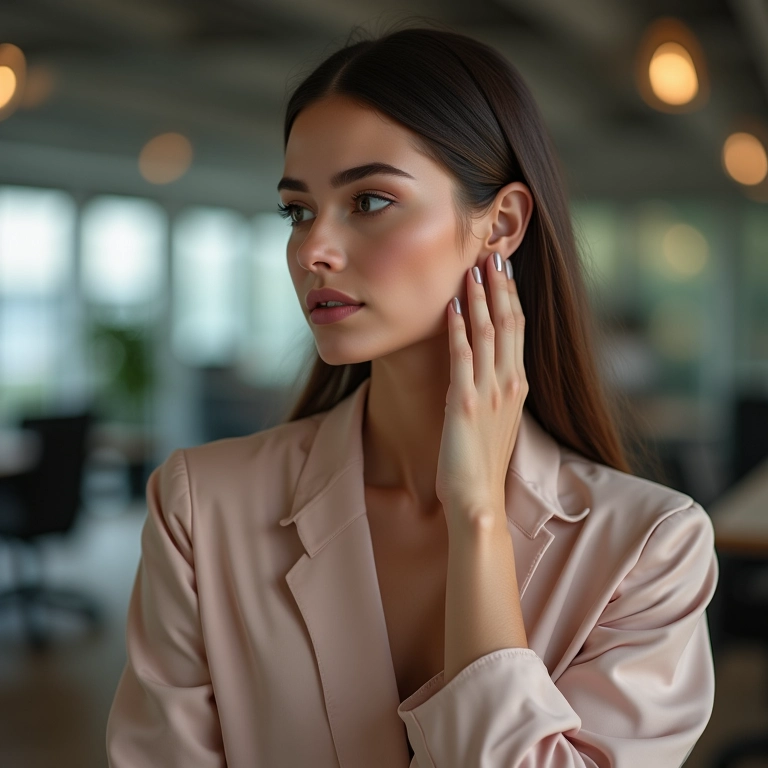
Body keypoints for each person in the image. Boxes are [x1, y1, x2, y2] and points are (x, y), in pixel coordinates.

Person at [106, 23, 719, 768]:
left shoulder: (650, 550)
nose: (312, 250)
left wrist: (478, 513)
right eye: (298, 210)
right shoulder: (200, 509)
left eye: (368, 201)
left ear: (501, 224)